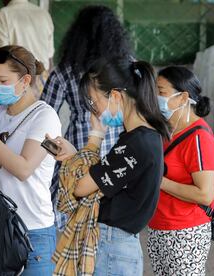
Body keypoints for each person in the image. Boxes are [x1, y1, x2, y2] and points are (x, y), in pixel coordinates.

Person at [50, 57, 171, 275]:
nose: (95, 112)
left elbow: (81, 187)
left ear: (115, 95)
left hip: (112, 246)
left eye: (94, 102)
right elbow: (103, 174)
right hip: (119, 245)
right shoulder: (146, 137)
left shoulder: (134, 144)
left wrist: (95, 137)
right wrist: (76, 155)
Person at [40, 5, 132, 230]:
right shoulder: (127, 66)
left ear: (77, 36)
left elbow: (42, 115)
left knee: (74, 217)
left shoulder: (66, 70)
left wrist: (55, 154)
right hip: (119, 149)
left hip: (77, 149)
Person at [0, 45, 62, 275]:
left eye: (3, 81)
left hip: (33, 232)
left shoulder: (46, 117)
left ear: (25, 81)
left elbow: (24, 168)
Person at [148, 66, 214, 276]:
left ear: (183, 97)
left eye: (161, 92)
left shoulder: (199, 138)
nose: (155, 98)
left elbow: (206, 194)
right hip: (159, 228)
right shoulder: (166, 130)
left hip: (185, 232)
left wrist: (160, 182)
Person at [0, 0, 54, 71]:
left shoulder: (3, 14)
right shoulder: (44, 14)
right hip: (42, 77)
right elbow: (50, 58)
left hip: (18, 77)